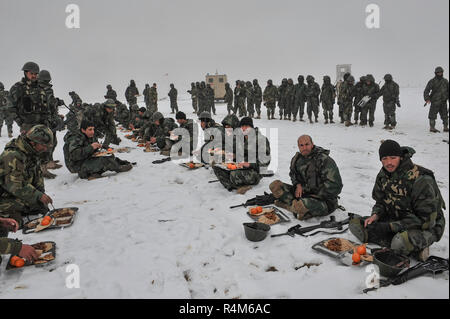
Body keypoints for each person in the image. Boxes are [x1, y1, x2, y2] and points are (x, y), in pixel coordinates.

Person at [349, 140, 446, 261]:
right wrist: (375, 215)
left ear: (400, 157)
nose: (388, 163)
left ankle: (418, 246)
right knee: (356, 224)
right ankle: (400, 243)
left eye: (393, 158)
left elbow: (425, 220)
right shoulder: (383, 175)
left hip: (426, 226)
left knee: (399, 243)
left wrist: (389, 227)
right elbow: (380, 202)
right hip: (397, 218)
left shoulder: (421, 179)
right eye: (384, 159)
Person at [269, 135, 343, 220]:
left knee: (300, 205)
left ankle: (291, 206)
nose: (304, 147)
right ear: (298, 147)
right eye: (301, 145)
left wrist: (312, 194)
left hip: (324, 200)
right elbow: (293, 174)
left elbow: (335, 186)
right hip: (303, 195)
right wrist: (298, 185)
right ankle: (296, 207)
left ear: (312, 144)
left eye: (307, 144)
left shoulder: (324, 160)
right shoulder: (297, 159)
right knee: (275, 185)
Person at [0, 125, 54, 227]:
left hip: (18, 194)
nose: (45, 148)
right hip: (5, 196)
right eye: (43, 145)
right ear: (33, 142)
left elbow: (37, 177)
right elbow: (15, 185)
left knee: (41, 208)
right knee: (13, 221)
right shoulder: (12, 155)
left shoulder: (32, 152)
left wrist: (41, 195)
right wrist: (38, 195)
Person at [212, 117, 270, 194]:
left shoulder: (261, 140)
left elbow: (265, 162)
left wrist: (249, 164)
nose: (244, 128)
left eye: (246, 126)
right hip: (241, 166)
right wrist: (234, 156)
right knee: (217, 167)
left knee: (233, 175)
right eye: (242, 126)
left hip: (255, 172)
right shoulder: (241, 139)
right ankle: (234, 186)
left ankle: (237, 184)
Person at [63, 120, 132, 180]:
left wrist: (97, 150)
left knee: (109, 156)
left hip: (84, 159)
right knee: (105, 161)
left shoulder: (90, 135)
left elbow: (91, 149)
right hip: (75, 165)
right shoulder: (75, 138)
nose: (92, 132)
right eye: (90, 129)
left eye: (93, 129)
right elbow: (75, 155)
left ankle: (95, 172)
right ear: (83, 130)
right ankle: (85, 173)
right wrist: (91, 147)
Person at [424, 66, 449, 132]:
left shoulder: (445, 81)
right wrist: (427, 99)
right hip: (435, 102)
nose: (440, 73)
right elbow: (426, 90)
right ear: (436, 73)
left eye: (441, 72)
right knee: (432, 116)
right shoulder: (432, 81)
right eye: (438, 72)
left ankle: (446, 127)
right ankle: (432, 128)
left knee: (445, 115)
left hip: (443, 102)